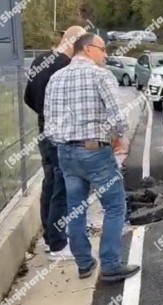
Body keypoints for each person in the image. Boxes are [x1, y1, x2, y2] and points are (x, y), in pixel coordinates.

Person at [44, 33, 140, 281]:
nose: (105, 54)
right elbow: (117, 115)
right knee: (115, 205)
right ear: (88, 49)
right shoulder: (101, 75)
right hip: (95, 152)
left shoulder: (55, 78)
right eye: (102, 49)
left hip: (65, 153)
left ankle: (84, 264)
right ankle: (110, 265)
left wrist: (62, 143)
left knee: (75, 209)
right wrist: (119, 137)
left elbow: (48, 124)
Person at [23, 25, 88, 261]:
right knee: (61, 188)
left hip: (44, 131)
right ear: (75, 42)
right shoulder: (65, 66)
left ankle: (51, 238)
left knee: (49, 185)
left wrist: (43, 115)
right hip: (60, 136)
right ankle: (58, 244)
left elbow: (28, 97)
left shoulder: (39, 60)